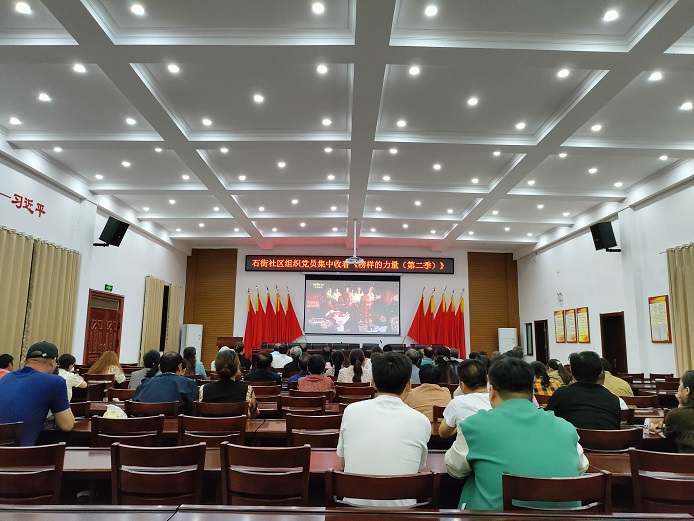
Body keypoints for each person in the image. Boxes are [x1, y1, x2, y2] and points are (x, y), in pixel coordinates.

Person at [445, 357, 589, 511]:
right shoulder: (565, 427)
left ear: (491, 392)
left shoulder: (474, 426)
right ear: (532, 392)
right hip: (564, 516)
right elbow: (582, 467)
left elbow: (455, 469)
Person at [337, 352, 430, 507]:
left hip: (354, 510)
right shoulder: (421, 421)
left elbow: (343, 462)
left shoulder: (351, 411)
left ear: (373, 382)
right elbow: (418, 467)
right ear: (409, 385)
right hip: (404, 512)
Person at [0, 342, 75, 446]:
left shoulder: (6, 377)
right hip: (19, 453)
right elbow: (67, 425)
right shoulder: (55, 381)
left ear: (26, 361)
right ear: (53, 362)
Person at [547, 351, 621, 430]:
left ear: (571, 371)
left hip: (573, 437)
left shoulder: (561, 394)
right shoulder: (614, 399)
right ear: (600, 373)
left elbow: (547, 421)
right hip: (608, 438)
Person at [199, 347, 258, 418]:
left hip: (210, 425)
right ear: (237, 369)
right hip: (237, 425)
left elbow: (199, 414)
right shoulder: (247, 390)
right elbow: (255, 413)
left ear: (216, 369)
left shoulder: (204, 389)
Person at [439, 359, 491, 438]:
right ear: (487, 380)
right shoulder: (496, 400)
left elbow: (443, 433)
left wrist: (458, 425)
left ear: (462, 385)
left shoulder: (457, 402)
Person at [132, 351, 198, 414]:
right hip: (176, 421)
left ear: (159, 367)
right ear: (180, 367)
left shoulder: (145, 383)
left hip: (145, 421)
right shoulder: (188, 383)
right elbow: (193, 410)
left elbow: (134, 403)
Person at [648, 370, 694, 453]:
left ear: (687, 390)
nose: (678, 388)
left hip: (686, 460)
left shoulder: (676, 415)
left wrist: (681, 405)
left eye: (679, 384)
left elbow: (666, 434)